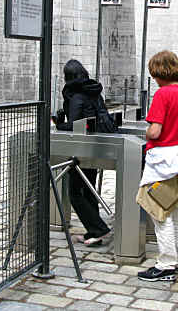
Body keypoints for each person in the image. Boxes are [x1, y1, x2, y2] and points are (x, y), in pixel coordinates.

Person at [136, 50, 178, 281]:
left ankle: (166, 264)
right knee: (176, 212)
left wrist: (147, 131)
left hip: (162, 160)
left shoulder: (163, 94)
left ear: (159, 72)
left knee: (160, 212)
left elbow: (155, 130)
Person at [55, 59, 111, 245]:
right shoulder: (94, 92)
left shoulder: (76, 96)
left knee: (75, 193)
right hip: (97, 144)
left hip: (81, 148)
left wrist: (59, 124)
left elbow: (74, 125)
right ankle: (93, 232)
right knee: (89, 190)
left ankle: (98, 228)